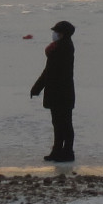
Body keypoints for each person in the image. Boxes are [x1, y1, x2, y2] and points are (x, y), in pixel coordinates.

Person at [30, 19, 76, 162]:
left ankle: (66, 152)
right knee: (59, 123)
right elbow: (48, 72)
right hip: (60, 92)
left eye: (56, 32)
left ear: (62, 34)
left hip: (61, 92)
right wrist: (38, 87)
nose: (54, 34)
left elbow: (49, 72)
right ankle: (58, 150)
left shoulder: (62, 49)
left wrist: (37, 87)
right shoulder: (60, 48)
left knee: (64, 123)